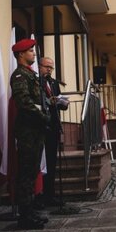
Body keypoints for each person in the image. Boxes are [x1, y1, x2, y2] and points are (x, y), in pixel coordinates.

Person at [10, 38, 51, 229]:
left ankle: (30, 211)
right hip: (27, 129)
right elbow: (24, 102)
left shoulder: (31, 75)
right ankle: (25, 216)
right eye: (30, 50)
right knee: (26, 172)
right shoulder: (20, 75)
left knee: (33, 170)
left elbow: (38, 99)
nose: (34, 53)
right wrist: (43, 116)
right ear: (21, 54)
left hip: (35, 129)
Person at [36, 57, 68, 207]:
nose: (49, 69)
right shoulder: (36, 82)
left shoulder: (54, 83)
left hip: (53, 126)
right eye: (46, 66)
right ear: (39, 66)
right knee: (40, 163)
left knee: (51, 162)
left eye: (51, 67)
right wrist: (49, 102)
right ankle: (39, 195)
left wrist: (63, 103)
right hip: (41, 127)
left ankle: (50, 194)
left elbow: (59, 103)